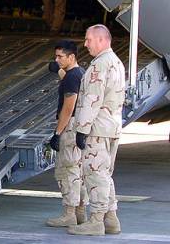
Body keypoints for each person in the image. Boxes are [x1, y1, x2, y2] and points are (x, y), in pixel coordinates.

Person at [68, 24, 126, 236]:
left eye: (89, 40)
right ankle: (111, 219)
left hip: (97, 129)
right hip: (112, 127)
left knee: (95, 174)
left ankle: (96, 220)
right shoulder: (116, 62)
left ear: (102, 40)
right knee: (105, 174)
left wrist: (82, 130)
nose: (85, 44)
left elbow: (92, 99)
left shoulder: (99, 65)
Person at [46, 40, 88, 227]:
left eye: (60, 57)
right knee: (78, 171)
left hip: (69, 127)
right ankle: (80, 212)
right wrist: (59, 70)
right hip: (78, 125)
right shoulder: (79, 73)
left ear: (71, 57)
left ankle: (69, 214)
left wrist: (57, 133)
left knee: (66, 171)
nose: (56, 60)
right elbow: (68, 78)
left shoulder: (71, 78)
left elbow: (68, 108)